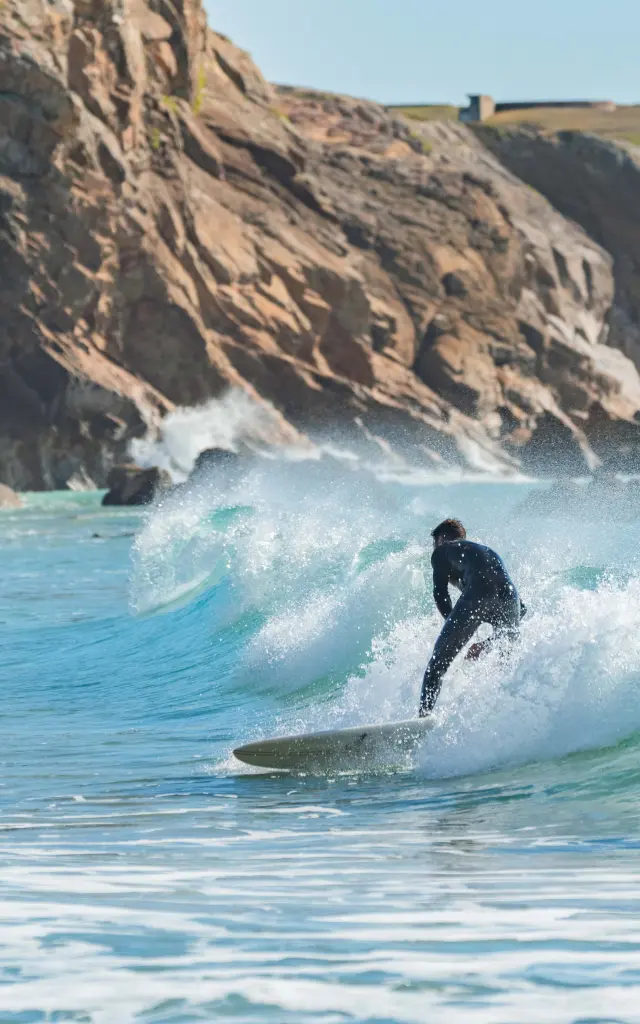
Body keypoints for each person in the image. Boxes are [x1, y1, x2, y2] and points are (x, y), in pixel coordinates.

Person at [419, 519, 526, 717]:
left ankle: (422, 719)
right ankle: (500, 715)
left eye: (434, 543)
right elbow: (523, 610)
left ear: (441, 539)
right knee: (503, 668)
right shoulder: (483, 551)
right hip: (510, 597)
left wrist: (453, 627)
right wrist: (487, 642)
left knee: (437, 665)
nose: (433, 548)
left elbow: (440, 594)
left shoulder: (442, 551)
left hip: (479, 592)